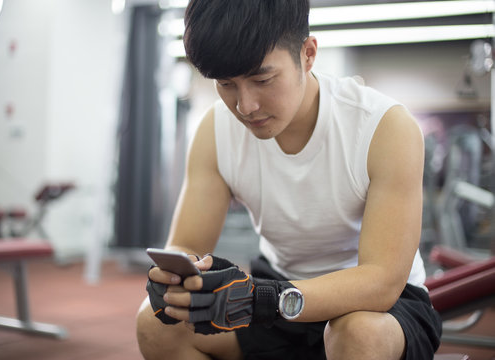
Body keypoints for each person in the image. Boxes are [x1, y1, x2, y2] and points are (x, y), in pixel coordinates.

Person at [136, 0, 442, 359]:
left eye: (262, 79)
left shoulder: (384, 127)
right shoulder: (215, 130)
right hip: (273, 289)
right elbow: (185, 245)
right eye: (226, 84)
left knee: (359, 333)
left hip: (376, 306)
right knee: (154, 324)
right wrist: (175, 278)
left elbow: (381, 282)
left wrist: (262, 299)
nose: (245, 105)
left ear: (308, 54)